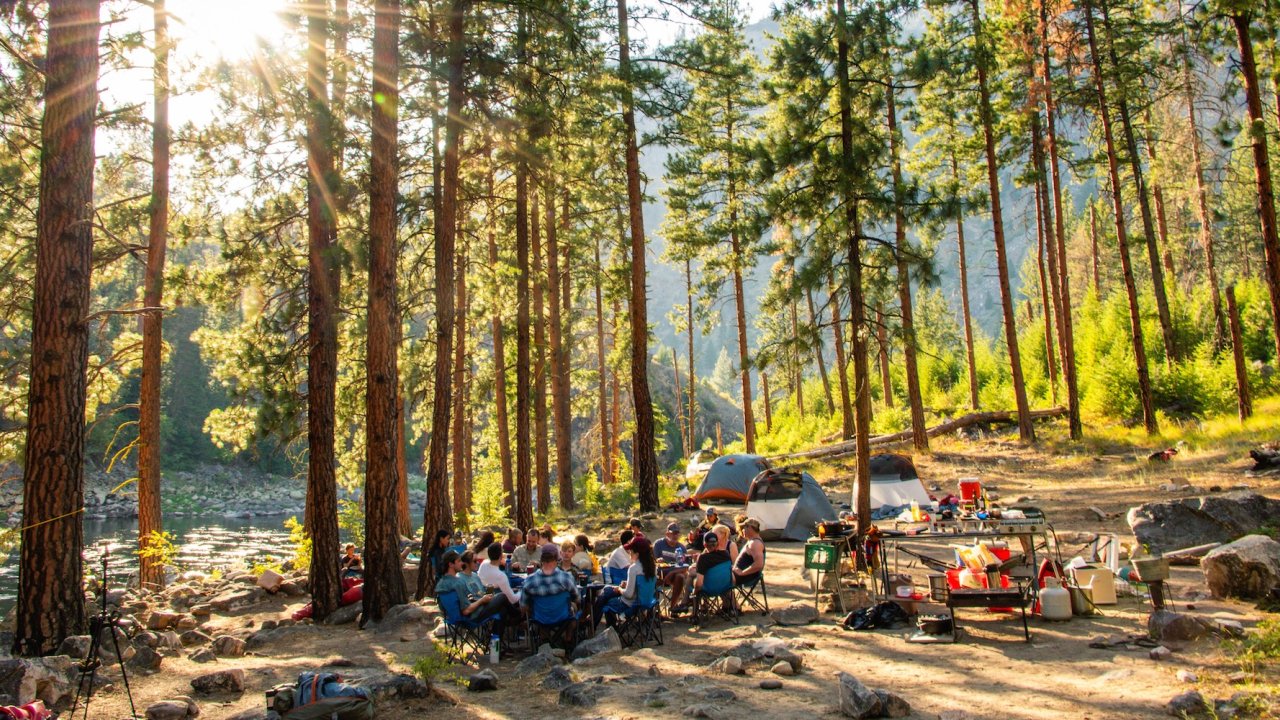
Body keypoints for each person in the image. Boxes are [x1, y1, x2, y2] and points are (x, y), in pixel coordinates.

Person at [434, 550, 509, 637]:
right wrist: (482, 600)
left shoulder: (444, 582)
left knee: (503, 609)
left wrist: (485, 595)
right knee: (503, 596)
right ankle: (518, 617)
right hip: (472, 617)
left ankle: (494, 645)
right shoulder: (457, 583)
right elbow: (466, 611)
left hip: (476, 609)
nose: (461, 563)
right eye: (458, 561)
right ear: (451, 565)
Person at [520, 543, 579, 647]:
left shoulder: (530, 581)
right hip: (563, 616)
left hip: (540, 618)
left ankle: (544, 638)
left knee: (531, 608)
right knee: (573, 608)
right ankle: (568, 638)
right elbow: (577, 598)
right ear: (557, 561)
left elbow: (523, 605)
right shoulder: (566, 578)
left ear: (541, 561)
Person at [594, 535, 656, 629]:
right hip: (647, 603)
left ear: (637, 553)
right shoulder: (652, 567)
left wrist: (619, 589)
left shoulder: (634, 568)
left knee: (606, 600)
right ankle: (594, 624)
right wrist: (627, 584)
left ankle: (609, 629)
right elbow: (642, 586)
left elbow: (629, 594)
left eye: (631, 550)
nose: (629, 552)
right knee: (607, 591)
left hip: (631, 605)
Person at [676, 531, 730, 611]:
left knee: (692, 578)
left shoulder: (703, 558)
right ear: (717, 543)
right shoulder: (726, 554)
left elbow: (699, 584)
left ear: (704, 545)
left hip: (709, 589)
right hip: (724, 586)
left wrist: (694, 592)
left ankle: (685, 603)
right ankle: (704, 605)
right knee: (694, 575)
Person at [477, 542, 521, 606]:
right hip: (494, 602)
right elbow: (513, 599)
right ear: (501, 556)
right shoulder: (500, 575)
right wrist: (521, 591)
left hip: (484, 594)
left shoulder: (484, 563)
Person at [654, 522, 688, 603]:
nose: (675, 536)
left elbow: (685, 566)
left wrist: (672, 572)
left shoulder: (682, 548)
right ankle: (654, 609)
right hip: (661, 573)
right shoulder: (659, 544)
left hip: (675, 574)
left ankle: (674, 606)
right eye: (673, 533)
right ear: (667, 534)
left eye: (677, 534)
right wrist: (657, 560)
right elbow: (653, 560)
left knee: (680, 577)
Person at [732, 517, 765, 587]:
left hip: (744, 578)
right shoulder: (752, 541)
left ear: (750, 528)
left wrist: (742, 573)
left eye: (744, 528)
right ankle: (730, 598)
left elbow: (759, 564)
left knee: (718, 579)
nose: (742, 530)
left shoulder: (755, 543)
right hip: (738, 575)